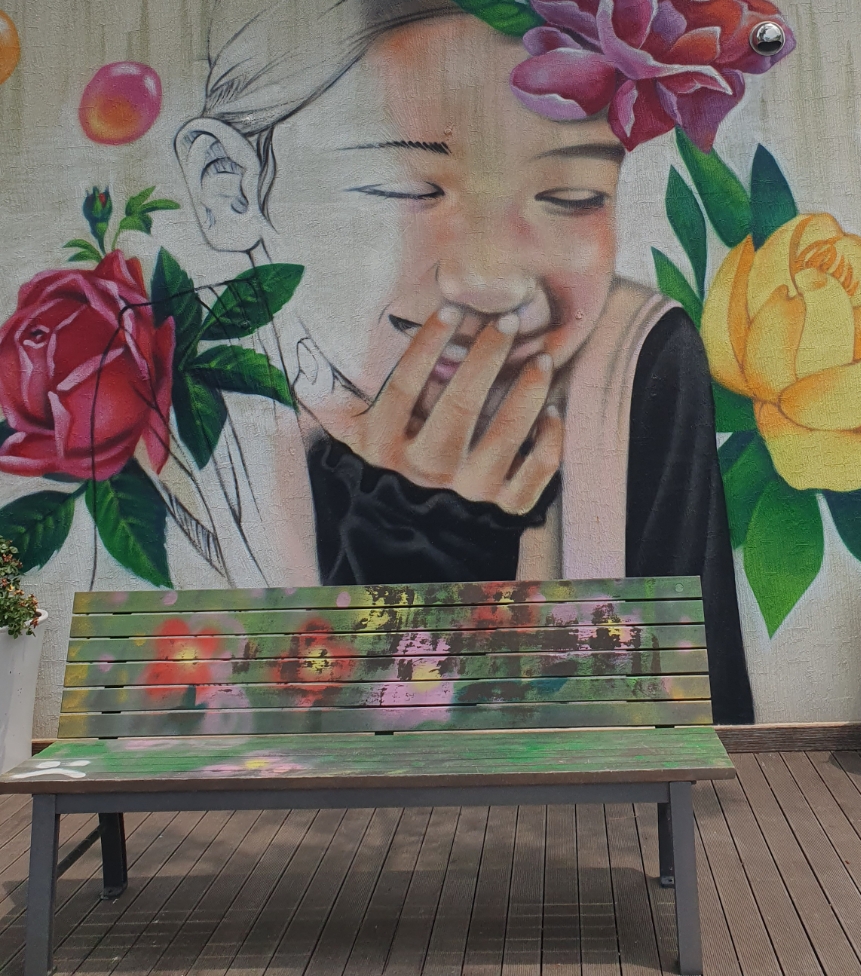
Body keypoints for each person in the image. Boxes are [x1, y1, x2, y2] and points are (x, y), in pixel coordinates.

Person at [174, 0, 783, 723]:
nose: (494, 281)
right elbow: (192, 729)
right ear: (230, 186)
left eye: (573, 197)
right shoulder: (163, 400)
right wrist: (411, 554)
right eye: (410, 188)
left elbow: (694, 719)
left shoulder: (634, 367)